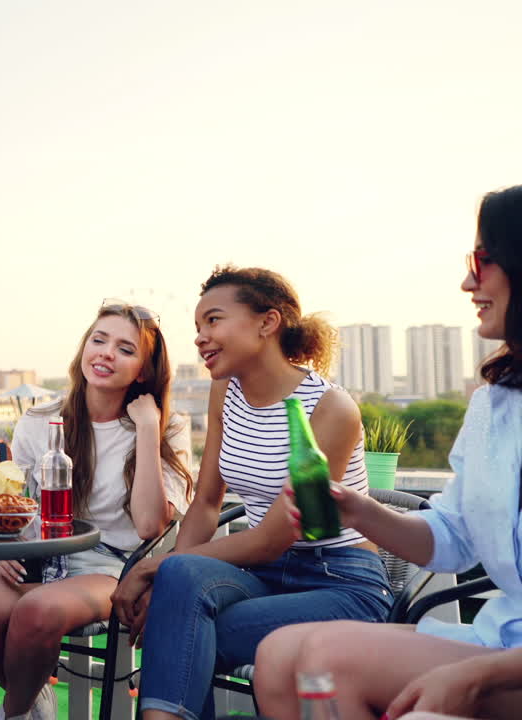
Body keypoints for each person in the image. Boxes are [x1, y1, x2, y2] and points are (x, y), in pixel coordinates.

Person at [252, 185, 522, 720]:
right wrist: (356, 508)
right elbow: (451, 540)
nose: (467, 281)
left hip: (505, 664)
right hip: (501, 638)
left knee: (325, 662)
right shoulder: (494, 405)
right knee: (276, 654)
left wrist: (475, 674)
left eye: (481, 260)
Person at [109, 265, 393, 720]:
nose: (201, 337)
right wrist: (167, 580)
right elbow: (205, 502)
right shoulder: (226, 389)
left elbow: (274, 537)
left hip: (340, 581)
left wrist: (153, 567)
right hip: (265, 577)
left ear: (268, 322)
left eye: (214, 320)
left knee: (185, 631)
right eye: (198, 326)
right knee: (180, 596)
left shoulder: (330, 409)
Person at [0, 302, 192, 720]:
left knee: (38, 611)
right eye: (98, 340)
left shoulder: (165, 427)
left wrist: (145, 427)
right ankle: (32, 698)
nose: (105, 353)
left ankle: (12, 713)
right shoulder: (40, 421)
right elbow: (18, 503)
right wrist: (7, 545)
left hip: (110, 567)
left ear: (143, 369)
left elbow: (148, 525)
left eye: (125, 349)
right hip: (37, 557)